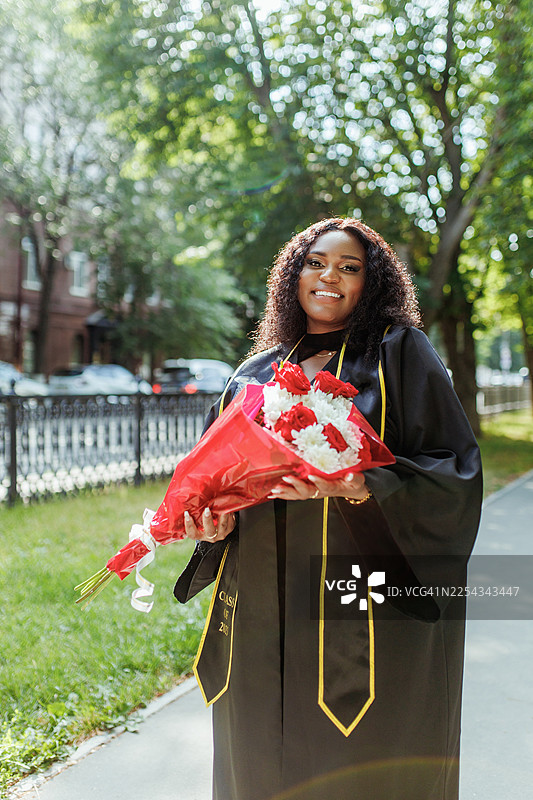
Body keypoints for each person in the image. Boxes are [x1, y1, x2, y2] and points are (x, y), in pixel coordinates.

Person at [174, 217, 482, 800]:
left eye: (349, 268)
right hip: (263, 606)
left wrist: (358, 487)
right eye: (315, 263)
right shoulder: (252, 375)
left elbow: (455, 474)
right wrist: (214, 524)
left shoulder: (399, 355)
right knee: (259, 763)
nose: (329, 278)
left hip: (362, 606)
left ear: (373, 282)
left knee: (361, 765)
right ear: (293, 274)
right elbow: (222, 486)